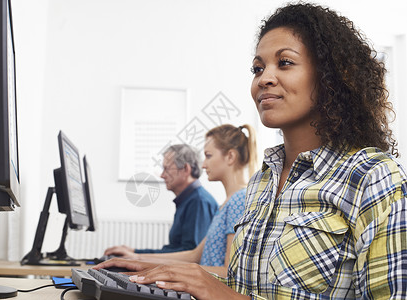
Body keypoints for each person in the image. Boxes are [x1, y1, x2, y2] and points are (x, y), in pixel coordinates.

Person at [95, 3, 407, 299]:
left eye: (284, 63)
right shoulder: (261, 183)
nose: (264, 79)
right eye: (257, 68)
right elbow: (242, 288)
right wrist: (152, 273)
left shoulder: (372, 177)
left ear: (331, 77)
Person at [108, 124, 257, 277]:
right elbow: (194, 256)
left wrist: (166, 270)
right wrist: (136, 259)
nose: (203, 165)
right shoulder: (227, 203)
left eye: (208, 155)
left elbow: (228, 273)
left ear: (230, 157)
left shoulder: (239, 200)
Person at [104, 144, 218, 255]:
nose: (162, 175)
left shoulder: (199, 202)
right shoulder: (189, 199)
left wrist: (136, 256)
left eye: (166, 169)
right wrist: (134, 252)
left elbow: (188, 255)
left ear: (185, 169)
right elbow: (177, 250)